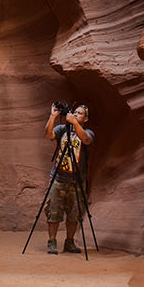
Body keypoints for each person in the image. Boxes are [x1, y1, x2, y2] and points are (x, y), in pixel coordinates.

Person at [43, 102, 93, 254]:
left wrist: (74, 123)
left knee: (74, 214)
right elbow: (49, 135)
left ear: (85, 119)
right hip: (58, 178)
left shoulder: (88, 132)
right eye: (75, 112)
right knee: (53, 212)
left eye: (80, 113)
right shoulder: (62, 129)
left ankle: (69, 242)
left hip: (77, 181)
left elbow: (86, 140)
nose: (76, 114)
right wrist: (53, 116)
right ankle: (52, 241)